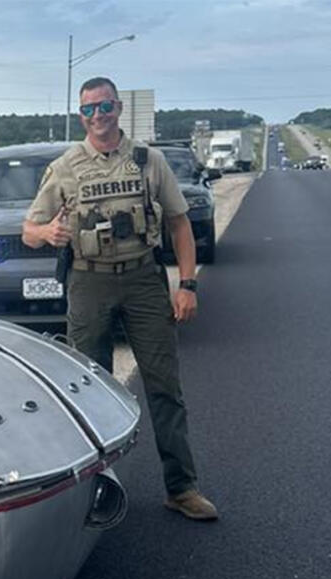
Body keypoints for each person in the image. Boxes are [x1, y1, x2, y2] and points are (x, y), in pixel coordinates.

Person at [21, 76, 218, 522]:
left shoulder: (149, 161)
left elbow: (179, 223)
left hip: (143, 279)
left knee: (164, 385)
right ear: (80, 115)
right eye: (89, 110)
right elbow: (28, 231)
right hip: (89, 284)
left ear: (118, 109)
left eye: (105, 107)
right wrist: (48, 232)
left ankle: (181, 486)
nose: (98, 117)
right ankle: (96, 489)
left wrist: (186, 285)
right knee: (89, 389)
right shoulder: (66, 167)